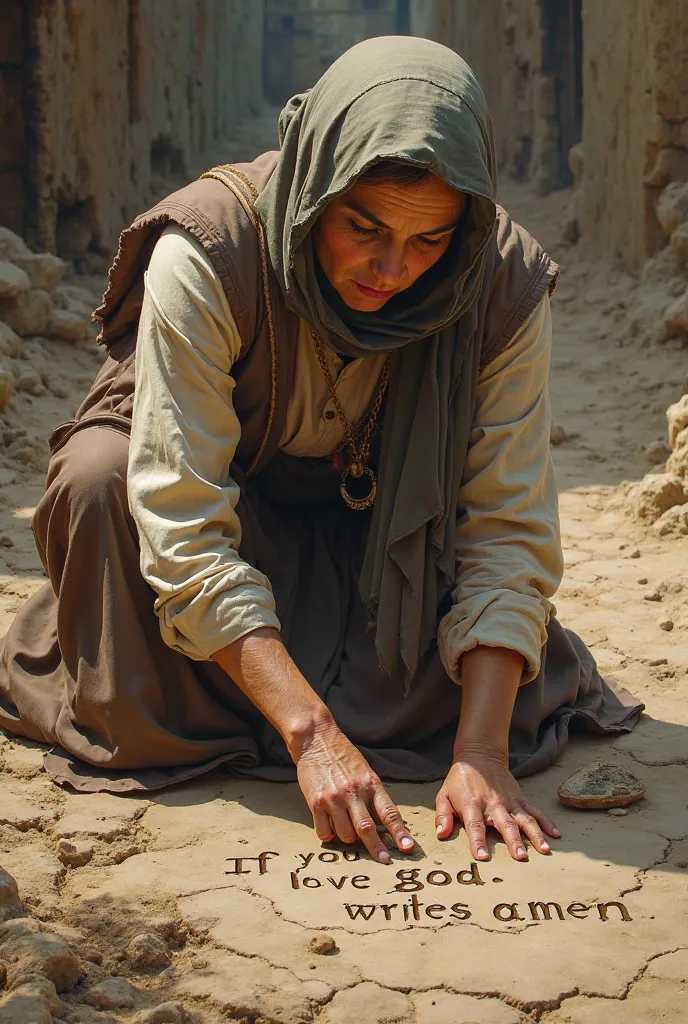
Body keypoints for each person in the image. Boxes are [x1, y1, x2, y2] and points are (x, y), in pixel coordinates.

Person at [0, 37, 643, 866]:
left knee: (469, 701)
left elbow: (506, 529)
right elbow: (182, 523)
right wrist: (312, 737)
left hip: (383, 551)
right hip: (234, 530)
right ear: (314, 192)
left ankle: (232, 702)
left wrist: (481, 753)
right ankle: (244, 698)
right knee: (99, 481)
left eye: (428, 242)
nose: (390, 269)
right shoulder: (210, 248)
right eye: (362, 226)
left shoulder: (497, 280)